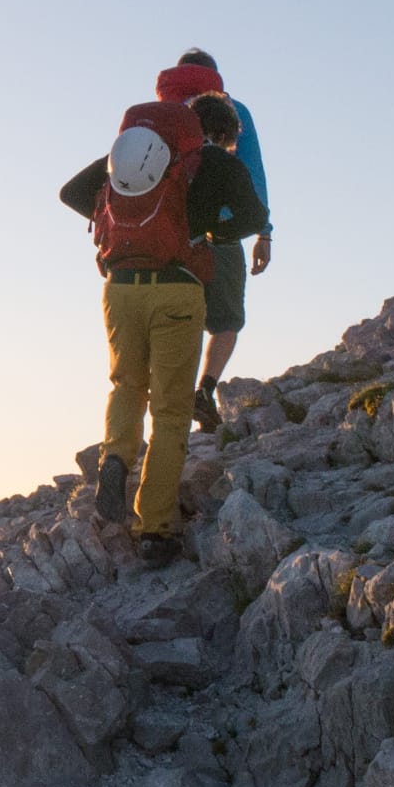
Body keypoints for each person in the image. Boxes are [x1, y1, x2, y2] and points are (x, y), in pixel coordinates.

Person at [60, 94, 268, 568]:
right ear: (223, 134)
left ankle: (115, 459)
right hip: (178, 290)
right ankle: (155, 529)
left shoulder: (140, 149)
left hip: (119, 289)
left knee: (127, 386)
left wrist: (113, 227)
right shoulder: (213, 162)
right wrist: (208, 227)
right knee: (171, 411)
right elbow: (253, 218)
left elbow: (71, 193)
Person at [153, 50, 272, 428]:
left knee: (178, 320)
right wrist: (263, 233)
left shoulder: (160, 115)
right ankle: (204, 390)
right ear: (215, 77)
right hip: (220, 230)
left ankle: (169, 407)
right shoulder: (234, 111)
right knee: (226, 321)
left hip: (166, 236)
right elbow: (252, 170)